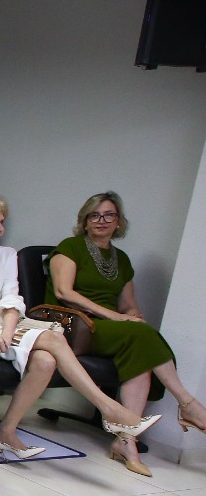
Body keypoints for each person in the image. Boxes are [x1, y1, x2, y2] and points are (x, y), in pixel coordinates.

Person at [0, 196, 157, 462]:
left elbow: (11, 299)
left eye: (2, 223)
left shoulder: (6, 254)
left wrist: (7, 332)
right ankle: (110, 409)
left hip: (7, 327)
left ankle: (6, 431)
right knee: (53, 338)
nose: (0, 229)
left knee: (45, 360)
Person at [49, 191, 206, 475]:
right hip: (76, 325)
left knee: (141, 347)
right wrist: (116, 316)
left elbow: (128, 305)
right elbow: (64, 293)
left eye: (109, 215)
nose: (101, 220)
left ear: (118, 222)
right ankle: (189, 405)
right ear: (84, 221)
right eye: (94, 215)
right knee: (141, 338)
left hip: (109, 327)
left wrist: (132, 317)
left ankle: (127, 441)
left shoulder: (121, 259)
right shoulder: (69, 247)